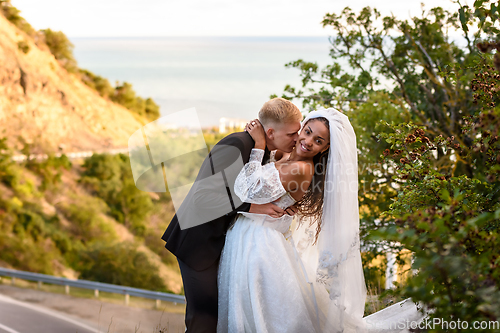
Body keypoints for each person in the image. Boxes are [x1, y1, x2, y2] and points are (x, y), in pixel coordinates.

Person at [217, 108, 367, 333]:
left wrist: (259, 144)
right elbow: (268, 175)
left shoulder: (301, 168)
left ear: (326, 147)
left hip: (259, 244)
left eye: (318, 141)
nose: (307, 142)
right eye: (306, 132)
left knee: (262, 312)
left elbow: (246, 192)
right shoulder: (286, 156)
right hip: (249, 235)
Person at [161, 98, 302, 333]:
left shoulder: (265, 149)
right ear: (270, 132)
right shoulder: (236, 145)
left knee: (221, 316)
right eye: (291, 134)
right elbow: (202, 197)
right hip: (198, 242)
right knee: (203, 319)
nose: (297, 139)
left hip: (223, 242)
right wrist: (253, 208)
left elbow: (252, 188)